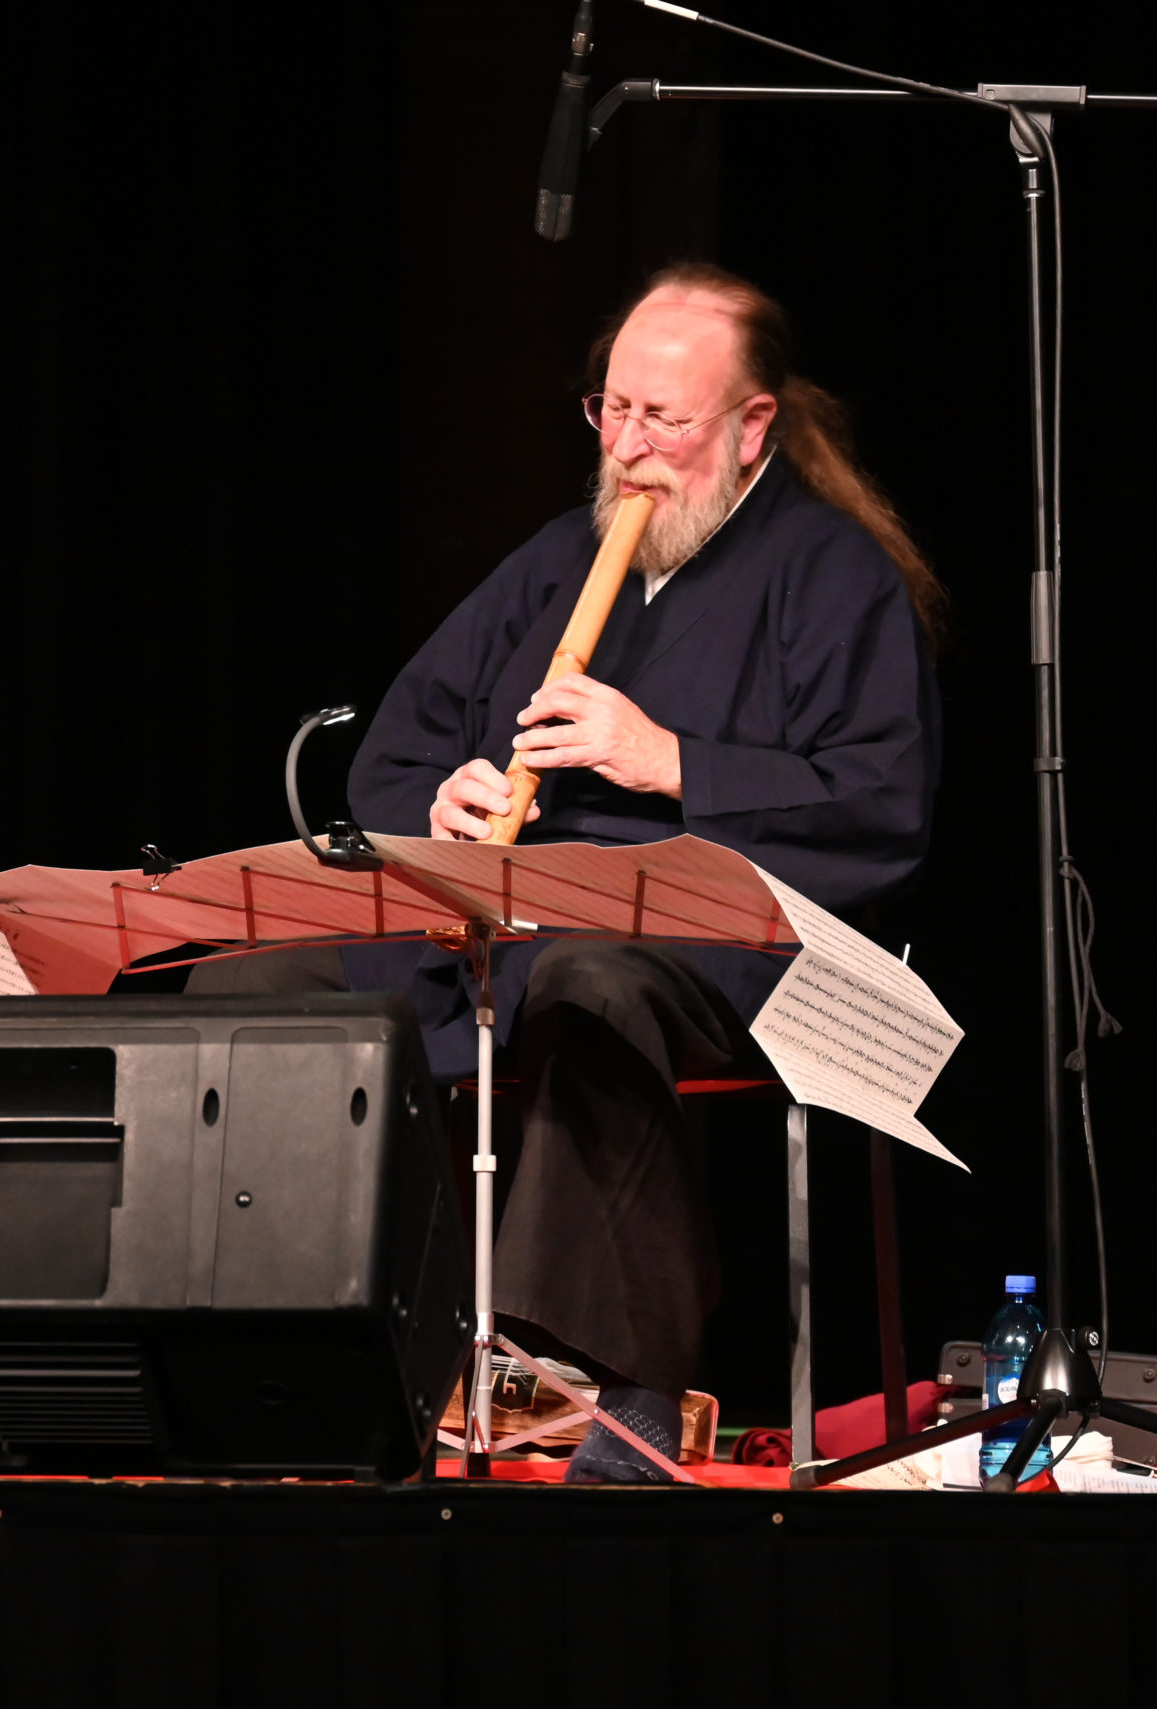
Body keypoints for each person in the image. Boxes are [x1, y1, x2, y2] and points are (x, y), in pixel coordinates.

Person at [192, 262, 943, 1480]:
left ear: (753, 428)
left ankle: (623, 1394)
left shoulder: (832, 575)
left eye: (666, 420)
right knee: (251, 989)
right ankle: (314, 1359)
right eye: (613, 411)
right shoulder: (555, 559)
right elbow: (400, 751)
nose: (631, 449)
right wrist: (442, 803)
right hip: (505, 914)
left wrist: (669, 760)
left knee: (591, 980)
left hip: (722, 940)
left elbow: (879, 799)